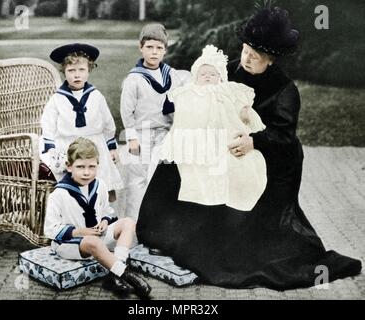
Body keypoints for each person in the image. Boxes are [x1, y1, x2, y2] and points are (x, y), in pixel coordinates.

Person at [136, 6, 362, 290]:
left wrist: (253, 141)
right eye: (245, 50)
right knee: (179, 160)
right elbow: (201, 95)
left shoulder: (284, 90)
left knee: (242, 190)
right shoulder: (226, 70)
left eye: (255, 56)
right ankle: (162, 231)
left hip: (272, 154)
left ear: (271, 58)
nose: (247, 58)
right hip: (223, 143)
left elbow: (284, 136)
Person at [160, 44, 267, 211]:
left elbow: (239, 103)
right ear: (196, 77)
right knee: (198, 171)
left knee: (234, 165)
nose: (207, 77)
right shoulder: (191, 92)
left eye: (212, 74)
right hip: (199, 136)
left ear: (221, 77)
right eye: (203, 74)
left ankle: (230, 197)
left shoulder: (226, 90)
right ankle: (204, 198)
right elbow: (177, 107)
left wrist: (245, 112)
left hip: (225, 133)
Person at [44, 137, 151, 298]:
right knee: (92, 241)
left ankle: (115, 274)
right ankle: (126, 274)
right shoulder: (59, 194)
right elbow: (50, 230)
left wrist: (104, 221)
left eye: (91, 167)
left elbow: (107, 210)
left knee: (128, 222)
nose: (86, 172)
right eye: (80, 167)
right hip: (71, 243)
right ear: (69, 166)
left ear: (97, 166)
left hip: (96, 235)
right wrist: (80, 232)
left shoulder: (100, 185)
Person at [120, 23, 191, 220]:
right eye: (149, 47)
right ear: (140, 47)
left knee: (159, 180)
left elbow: (180, 102)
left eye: (159, 48)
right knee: (137, 181)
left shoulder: (172, 75)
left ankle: (156, 226)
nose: (154, 52)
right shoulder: (134, 79)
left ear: (165, 50)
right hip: (141, 134)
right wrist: (132, 137)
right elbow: (127, 111)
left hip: (165, 135)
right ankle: (133, 228)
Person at [40, 43, 123, 202]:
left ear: (89, 70)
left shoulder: (96, 96)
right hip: (69, 146)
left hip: (95, 145)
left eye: (81, 70)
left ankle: (100, 217)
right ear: (64, 72)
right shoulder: (57, 99)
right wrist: (51, 151)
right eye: (71, 71)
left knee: (99, 184)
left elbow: (107, 123)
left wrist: (111, 147)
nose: (76, 75)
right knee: (74, 190)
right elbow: (48, 125)